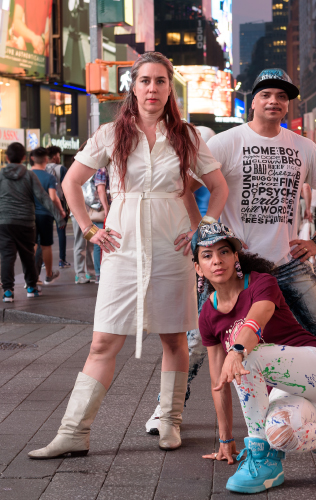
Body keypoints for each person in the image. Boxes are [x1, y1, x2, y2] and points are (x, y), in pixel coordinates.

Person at [145, 68, 316, 440]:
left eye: (281, 96)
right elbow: (186, 187)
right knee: (198, 342)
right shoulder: (227, 143)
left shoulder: (303, 147)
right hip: (234, 269)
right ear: (253, 100)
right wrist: (205, 235)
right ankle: (167, 413)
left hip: (287, 264)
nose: (274, 101)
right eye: (266, 95)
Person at [28, 51, 228, 460]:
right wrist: (89, 229)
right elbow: (71, 183)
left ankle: (170, 422)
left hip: (172, 249)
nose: (152, 88)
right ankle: (73, 432)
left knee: (174, 338)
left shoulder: (187, 136)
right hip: (122, 251)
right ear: (132, 87)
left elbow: (219, 187)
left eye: (159, 81)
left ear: (170, 87)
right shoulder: (110, 134)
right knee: (103, 341)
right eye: (144, 81)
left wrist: (200, 230)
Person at [194, 222, 316, 493]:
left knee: (245, 355)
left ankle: (259, 456)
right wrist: (225, 438)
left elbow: (258, 317)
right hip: (285, 393)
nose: (217, 260)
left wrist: (236, 351)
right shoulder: (208, 316)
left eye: (224, 252)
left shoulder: (261, 282)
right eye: (207, 255)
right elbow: (217, 381)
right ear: (198, 267)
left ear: (236, 257)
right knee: (278, 434)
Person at [0, 142, 64, 302]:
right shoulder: (29, 175)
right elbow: (43, 197)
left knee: (7, 256)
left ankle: (8, 291)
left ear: (7, 157)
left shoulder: (1, 175)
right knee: (27, 254)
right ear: (24, 158)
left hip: (4, 221)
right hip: (26, 222)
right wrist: (58, 216)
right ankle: (31, 288)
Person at [31, 147, 66, 284]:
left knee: (33, 245)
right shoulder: (49, 177)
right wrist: (61, 212)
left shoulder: (27, 175)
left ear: (32, 159)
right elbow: (53, 197)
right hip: (45, 215)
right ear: (46, 159)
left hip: (30, 215)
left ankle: (32, 277)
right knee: (46, 246)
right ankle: (49, 274)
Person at [46, 146, 71, 269]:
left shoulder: (42, 169)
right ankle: (62, 260)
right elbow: (67, 188)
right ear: (55, 156)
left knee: (44, 233)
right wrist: (67, 206)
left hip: (45, 205)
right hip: (59, 203)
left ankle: (43, 262)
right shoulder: (62, 168)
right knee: (61, 232)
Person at [93, 167, 111, 284]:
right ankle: (99, 273)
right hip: (102, 210)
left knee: (101, 241)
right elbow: (100, 190)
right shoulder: (102, 169)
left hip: (103, 209)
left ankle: (99, 273)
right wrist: (106, 209)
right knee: (99, 241)